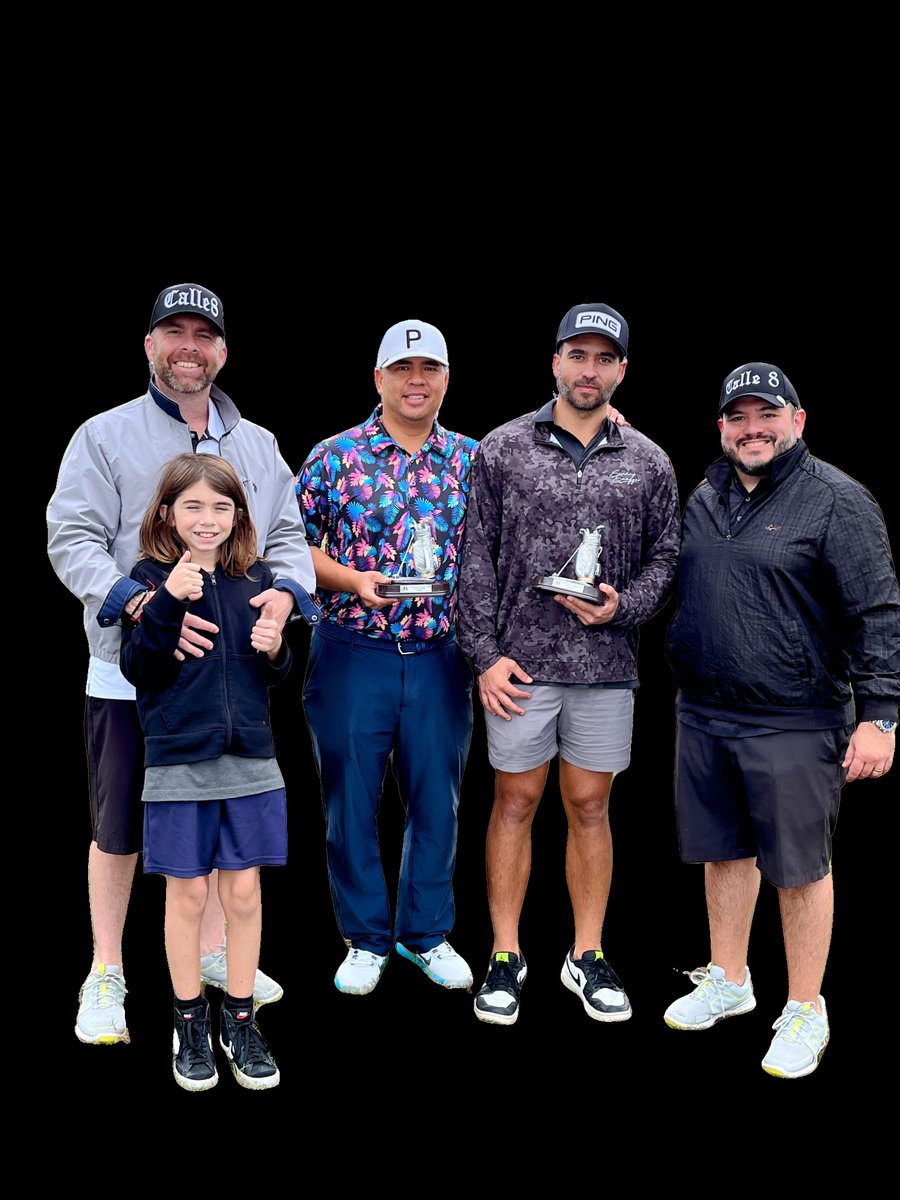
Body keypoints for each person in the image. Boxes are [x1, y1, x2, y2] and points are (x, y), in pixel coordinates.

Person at [47, 282, 317, 1046]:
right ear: (150, 347)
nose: (189, 347)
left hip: (228, 683)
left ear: (222, 352)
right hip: (130, 674)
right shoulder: (103, 436)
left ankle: (208, 961)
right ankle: (106, 972)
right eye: (175, 333)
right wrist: (139, 602)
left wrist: (286, 598)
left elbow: (289, 539)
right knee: (119, 827)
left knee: (220, 829)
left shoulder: (258, 445)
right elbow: (71, 538)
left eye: (204, 335)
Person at [662, 362, 899, 1079]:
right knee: (724, 852)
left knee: (799, 868)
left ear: (798, 420)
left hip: (795, 718)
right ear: (722, 428)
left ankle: (805, 1008)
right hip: (703, 713)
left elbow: (877, 610)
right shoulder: (704, 494)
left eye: (768, 414)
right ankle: (730, 979)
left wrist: (880, 716)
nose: (753, 428)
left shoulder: (837, 500)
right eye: (739, 416)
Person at [457, 302, 681, 1026]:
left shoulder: (647, 459)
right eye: (576, 356)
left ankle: (586, 954)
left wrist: (624, 608)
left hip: (606, 666)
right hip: (519, 669)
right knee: (515, 803)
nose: (589, 371)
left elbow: (666, 558)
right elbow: (474, 563)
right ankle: (504, 954)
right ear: (554, 362)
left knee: (590, 805)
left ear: (622, 369)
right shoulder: (502, 448)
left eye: (603, 358)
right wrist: (485, 657)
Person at [296, 319, 477, 996]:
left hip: (439, 655)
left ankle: (425, 934)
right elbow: (292, 548)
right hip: (352, 651)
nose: (416, 380)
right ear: (379, 379)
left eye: (429, 368)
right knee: (352, 799)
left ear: (446, 380)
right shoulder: (333, 456)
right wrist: (350, 581)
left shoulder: (471, 459)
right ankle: (366, 938)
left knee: (438, 798)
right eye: (402, 369)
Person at [120, 455, 290, 1091]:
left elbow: (271, 673)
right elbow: (140, 667)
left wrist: (277, 648)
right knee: (188, 894)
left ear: (238, 515)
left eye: (221, 506)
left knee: (243, 893)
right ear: (168, 513)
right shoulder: (148, 579)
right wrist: (165, 602)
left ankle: (240, 1019)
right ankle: (189, 1019)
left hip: (250, 757)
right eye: (192, 506)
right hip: (178, 759)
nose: (208, 519)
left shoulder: (257, 582)